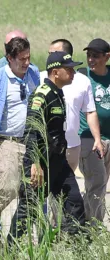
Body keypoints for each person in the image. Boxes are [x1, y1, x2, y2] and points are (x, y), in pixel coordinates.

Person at [8, 52, 85, 244]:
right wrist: (34, 162)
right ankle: (11, 249)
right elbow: (31, 130)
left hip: (58, 162)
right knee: (29, 209)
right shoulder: (42, 94)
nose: (73, 72)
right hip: (40, 163)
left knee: (75, 201)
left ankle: (79, 247)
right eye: (69, 69)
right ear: (55, 72)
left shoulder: (58, 93)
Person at [0, 37, 40, 235]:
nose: (26, 62)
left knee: (31, 190)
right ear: (9, 58)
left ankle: (19, 234)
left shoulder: (34, 74)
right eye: (22, 59)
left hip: (31, 141)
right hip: (8, 142)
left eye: (28, 57)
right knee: (8, 189)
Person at [40, 39, 103, 172]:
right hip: (46, 145)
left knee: (67, 187)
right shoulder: (39, 78)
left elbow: (90, 112)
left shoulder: (82, 81)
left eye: (54, 53)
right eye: (49, 53)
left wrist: (97, 139)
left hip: (72, 145)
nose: (50, 57)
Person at [78, 38, 110, 225]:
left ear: (107, 57)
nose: (91, 59)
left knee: (98, 185)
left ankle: (81, 224)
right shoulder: (82, 77)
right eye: (89, 55)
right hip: (89, 139)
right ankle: (94, 229)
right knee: (97, 183)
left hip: (109, 138)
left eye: (96, 56)